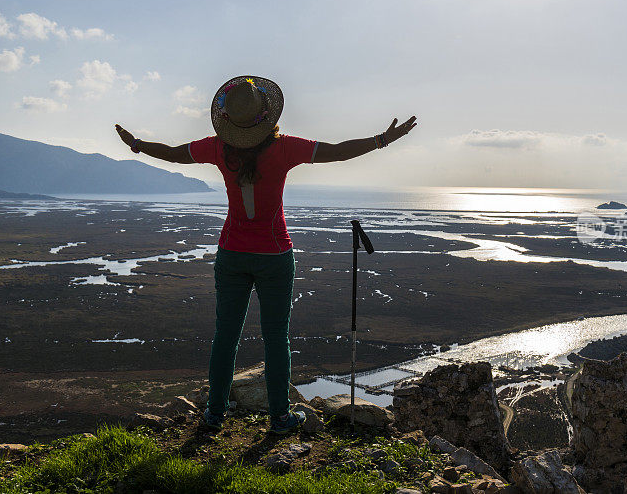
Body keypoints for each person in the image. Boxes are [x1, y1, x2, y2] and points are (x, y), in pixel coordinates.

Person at [115, 75, 416, 433]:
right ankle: (280, 417)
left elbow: (175, 155)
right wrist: (382, 140)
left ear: (228, 120)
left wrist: (137, 145)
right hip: (275, 255)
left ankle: (214, 414)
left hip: (231, 254)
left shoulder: (216, 148)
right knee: (276, 337)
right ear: (266, 115)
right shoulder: (285, 148)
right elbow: (336, 151)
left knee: (225, 336)